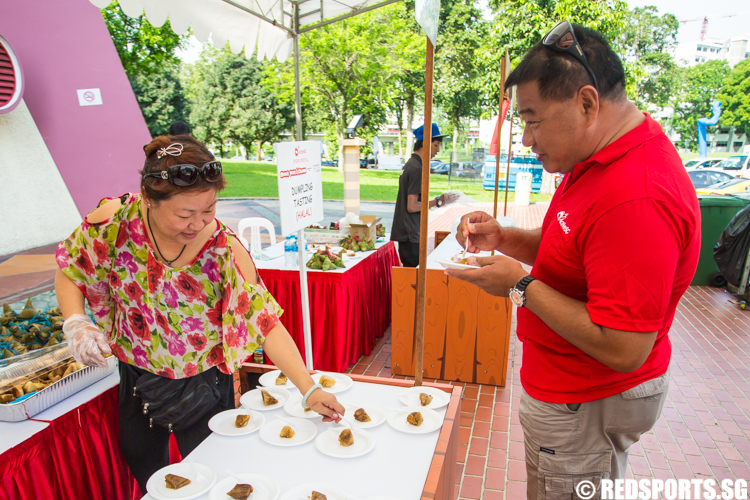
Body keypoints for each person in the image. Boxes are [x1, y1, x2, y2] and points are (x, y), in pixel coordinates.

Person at [446, 22, 700, 499]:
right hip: (569, 394)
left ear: (587, 103)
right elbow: (571, 243)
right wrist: (506, 238)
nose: (525, 139)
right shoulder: (595, 157)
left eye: (533, 119)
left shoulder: (635, 196)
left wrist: (520, 286)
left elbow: (625, 347)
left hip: (585, 402)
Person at [55, 135, 344, 493]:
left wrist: (308, 387)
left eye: (209, 209)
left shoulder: (223, 249)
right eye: (184, 213)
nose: (198, 223)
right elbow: (72, 269)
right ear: (148, 198)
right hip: (136, 378)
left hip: (205, 384)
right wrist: (76, 322)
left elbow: (266, 324)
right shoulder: (113, 222)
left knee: (215, 478)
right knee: (148, 471)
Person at [390, 123, 459, 267]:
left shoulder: (411, 164)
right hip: (410, 234)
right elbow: (412, 206)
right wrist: (439, 200)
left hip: (407, 232)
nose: (438, 150)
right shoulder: (416, 168)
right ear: (425, 143)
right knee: (413, 277)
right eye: (436, 145)